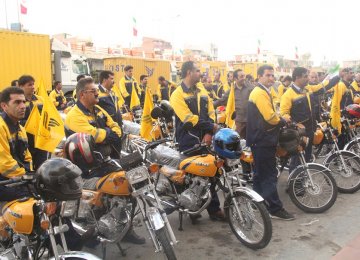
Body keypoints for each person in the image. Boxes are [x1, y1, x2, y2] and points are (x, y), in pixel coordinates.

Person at [64, 77, 145, 244]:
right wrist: (108, 134)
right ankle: (94, 231)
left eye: (96, 90)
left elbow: (116, 127)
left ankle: (126, 228)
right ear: (82, 94)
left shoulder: (98, 109)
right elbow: (96, 136)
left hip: (105, 161)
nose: (97, 93)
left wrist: (108, 134)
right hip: (85, 169)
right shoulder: (73, 116)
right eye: (93, 91)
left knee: (129, 187)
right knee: (99, 200)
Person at [170, 61, 224, 221]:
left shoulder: (201, 91)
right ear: (188, 72)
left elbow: (211, 112)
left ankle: (214, 210)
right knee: (191, 175)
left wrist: (208, 133)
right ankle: (192, 208)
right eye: (198, 70)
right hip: (188, 139)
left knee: (211, 173)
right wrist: (211, 127)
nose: (201, 73)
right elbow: (188, 118)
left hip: (206, 138)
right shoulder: (177, 94)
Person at [247, 65, 294, 220]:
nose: (271, 78)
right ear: (259, 76)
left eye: (273, 76)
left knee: (260, 174)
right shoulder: (259, 92)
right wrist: (283, 120)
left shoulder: (264, 91)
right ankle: (275, 208)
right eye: (268, 75)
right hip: (262, 139)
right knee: (268, 175)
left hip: (261, 139)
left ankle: (257, 204)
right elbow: (270, 117)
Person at [280, 67, 339, 173]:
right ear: (297, 77)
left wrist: (338, 76)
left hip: (310, 130)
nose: (308, 79)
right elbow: (284, 114)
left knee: (306, 158)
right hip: (298, 134)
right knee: (297, 160)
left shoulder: (308, 89)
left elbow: (324, 86)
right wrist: (294, 125)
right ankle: (294, 184)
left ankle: (303, 181)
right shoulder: (287, 95)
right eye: (305, 76)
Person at [0, 87, 32, 201]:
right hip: (5, 179)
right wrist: (28, 177)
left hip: (15, 178)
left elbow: (27, 157)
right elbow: (5, 165)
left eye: (24, 102)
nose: (23, 106)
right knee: (31, 198)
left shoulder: (21, 129)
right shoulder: (1, 126)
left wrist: (32, 174)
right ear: (4, 106)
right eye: (17, 102)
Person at [18, 75, 48, 170]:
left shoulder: (41, 100)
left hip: (40, 140)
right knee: (27, 168)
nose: (33, 87)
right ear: (21, 87)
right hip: (25, 140)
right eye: (29, 85)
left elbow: (47, 116)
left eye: (33, 84)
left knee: (42, 167)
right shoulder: (18, 102)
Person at [214, 69, 253, 139]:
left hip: (250, 120)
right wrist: (210, 106)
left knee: (250, 141)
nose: (244, 78)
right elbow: (221, 100)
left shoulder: (250, 87)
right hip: (238, 122)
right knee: (238, 141)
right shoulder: (231, 91)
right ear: (235, 79)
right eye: (241, 76)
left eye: (244, 76)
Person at [330, 67, 356, 149]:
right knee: (341, 142)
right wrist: (336, 119)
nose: (353, 75)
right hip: (341, 118)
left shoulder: (349, 86)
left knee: (347, 141)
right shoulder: (341, 85)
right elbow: (336, 103)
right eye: (351, 73)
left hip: (347, 119)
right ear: (345, 73)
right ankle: (338, 160)